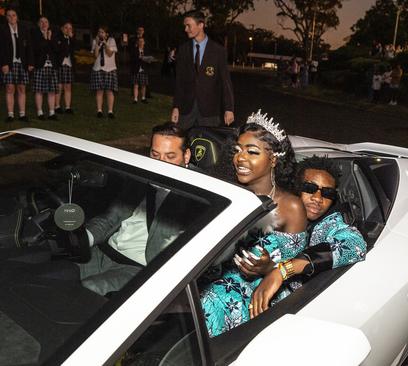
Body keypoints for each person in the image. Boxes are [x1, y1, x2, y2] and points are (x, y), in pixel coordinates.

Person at [201, 110, 307, 337]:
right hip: (211, 284)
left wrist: (269, 268)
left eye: (252, 152)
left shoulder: (291, 207)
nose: (240, 158)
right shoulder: (228, 195)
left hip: (263, 297)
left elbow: (297, 269)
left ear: (274, 159)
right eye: (238, 150)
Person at [79, 122, 194, 295]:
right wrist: (82, 239)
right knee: (55, 270)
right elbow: (112, 217)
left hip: (137, 268)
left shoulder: (199, 194)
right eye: (155, 155)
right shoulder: (140, 177)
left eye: (170, 157)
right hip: (102, 250)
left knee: (87, 290)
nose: (161, 164)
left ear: (186, 156)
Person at [247, 155, 367, 318]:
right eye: (310, 188)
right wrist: (268, 267)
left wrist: (283, 271)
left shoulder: (328, 223)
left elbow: (356, 244)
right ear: (296, 188)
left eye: (327, 193)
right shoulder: (277, 208)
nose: (318, 198)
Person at [171, 10, 234, 129]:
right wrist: (176, 107)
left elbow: (225, 82)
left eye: (188, 25)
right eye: (185, 26)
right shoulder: (183, 49)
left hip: (209, 112)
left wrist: (229, 108)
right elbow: (179, 82)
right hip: (186, 110)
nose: (185, 29)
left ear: (200, 25)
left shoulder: (218, 51)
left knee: (207, 145)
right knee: (183, 144)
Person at [0, 8, 34, 122]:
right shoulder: (2, 29)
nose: (11, 17)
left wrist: (30, 62)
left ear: (17, 17)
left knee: (21, 88)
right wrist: (3, 63)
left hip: (22, 63)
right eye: (9, 16)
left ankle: (22, 114)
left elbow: (29, 47)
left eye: (13, 15)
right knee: (10, 88)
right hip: (8, 63)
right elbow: (1, 49)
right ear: (6, 18)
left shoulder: (24, 29)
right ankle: (10, 115)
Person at [32, 16, 59, 120]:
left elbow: (56, 49)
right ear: (38, 24)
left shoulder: (53, 34)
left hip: (51, 66)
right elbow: (37, 49)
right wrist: (44, 38)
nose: (44, 24)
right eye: (41, 22)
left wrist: (50, 38)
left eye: (46, 22)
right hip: (40, 65)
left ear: (49, 24)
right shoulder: (35, 34)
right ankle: (40, 112)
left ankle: (52, 112)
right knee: (39, 90)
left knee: (51, 90)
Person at [90, 26, 118, 119]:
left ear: (107, 34)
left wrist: (105, 43)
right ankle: (99, 110)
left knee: (109, 91)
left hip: (110, 69)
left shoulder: (111, 41)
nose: (100, 33)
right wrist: (98, 44)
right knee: (99, 90)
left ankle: (110, 111)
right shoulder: (95, 41)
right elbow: (96, 55)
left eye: (102, 32)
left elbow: (110, 53)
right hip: (98, 68)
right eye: (99, 32)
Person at [54, 21, 75, 114]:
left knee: (68, 86)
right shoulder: (58, 38)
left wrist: (71, 38)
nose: (68, 30)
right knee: (59, 86)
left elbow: (75, 48)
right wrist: (65, 39)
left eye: (70, 28)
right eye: (66, 28)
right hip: (60, 63)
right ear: (62, 29)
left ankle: (67, 107)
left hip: (69, 64)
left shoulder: (71, 39)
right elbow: (58, 49)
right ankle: (57, 106)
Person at [130, 37, 151, 104]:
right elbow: (132, 59)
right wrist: (138, 58)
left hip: (144, 69)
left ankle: (143, 98)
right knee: (135, 85)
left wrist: (149, 60)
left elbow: (149, 59)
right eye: (140, 41)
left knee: (143, 85)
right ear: (138, 42)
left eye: (142, 41)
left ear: (144, 43)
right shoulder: (134, 50)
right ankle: (135, 99)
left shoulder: (146, 50)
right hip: (136, 69)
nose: (141, 43)